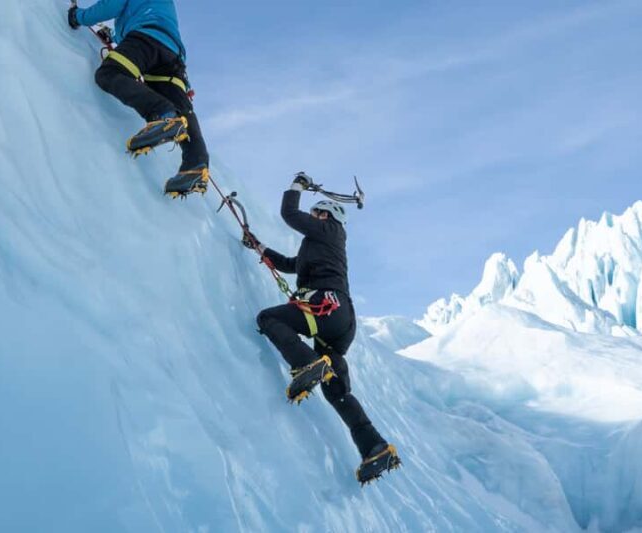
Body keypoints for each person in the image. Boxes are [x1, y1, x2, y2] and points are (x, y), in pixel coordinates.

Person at [244, 172, 399, 481]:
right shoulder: (317, 245)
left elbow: (289, 213)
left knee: (268, 318)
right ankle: (375, 447)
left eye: (317, 212)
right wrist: (259, 247)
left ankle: (305, 363)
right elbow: (291, 265)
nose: (312, 216)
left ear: (329, 215)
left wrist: (296, 186)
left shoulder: (330, 231)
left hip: (327, 306)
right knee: (336, 390)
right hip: (340, 320)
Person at [68, 0, 210, 197]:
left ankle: (162, 115)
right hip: (173, 54)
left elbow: (112, 5)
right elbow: (139, 14)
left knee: (109, 73)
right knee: (182, 108)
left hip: (146, 39)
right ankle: (196, 165)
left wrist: (77, 16)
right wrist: (114, 35)